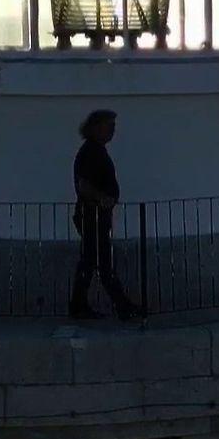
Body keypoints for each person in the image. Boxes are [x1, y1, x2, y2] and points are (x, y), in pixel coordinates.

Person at [69, 109, 139, 320]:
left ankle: (79, 306)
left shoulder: (95, 151)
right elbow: (83, 185)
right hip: (93, 216)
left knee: (90, 261)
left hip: (96, 216)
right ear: (97, 127)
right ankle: (123, 307)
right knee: (102, 262)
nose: (113, 131)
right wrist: (103, 198)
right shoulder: (91, 152)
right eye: (109, 126)